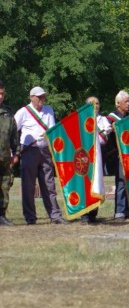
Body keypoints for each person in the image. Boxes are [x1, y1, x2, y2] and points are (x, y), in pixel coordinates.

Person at [14, 86, 67, 225]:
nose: (42, 99)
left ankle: (55, 215)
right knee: (28, 185)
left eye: (43, 96)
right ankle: (30, 217)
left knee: (49, 184)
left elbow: (52, 129)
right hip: (29, 150)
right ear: (32, 97)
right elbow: (13, 131)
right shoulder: (23, 112)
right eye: (39, 97)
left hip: (45, 149)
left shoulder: (49, 110)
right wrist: (14, 150)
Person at [80, 96, 112, 225]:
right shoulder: (81, 120)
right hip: (84, 157)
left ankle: (93, 213)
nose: (95, 105)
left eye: (97, 103)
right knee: (85, 184)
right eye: (92, 103)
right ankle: (84, 214)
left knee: (97, 183)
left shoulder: (103, 119)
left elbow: (104, 138)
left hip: (98, 156)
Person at [106, 90, 129, 222]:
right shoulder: (110, 118)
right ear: (118, 103)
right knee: (121, 182)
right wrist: (111, 128)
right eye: (126, 101)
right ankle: (119, 211)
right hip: (118, 154)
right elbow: (105, 133)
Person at [0, 82, 19, 226]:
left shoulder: (8, 113)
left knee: (5, 186)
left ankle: (2, 215)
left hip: (5, 157)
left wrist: (16, 153)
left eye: (2, 94)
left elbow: (14, 136)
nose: (1, 97)